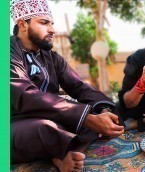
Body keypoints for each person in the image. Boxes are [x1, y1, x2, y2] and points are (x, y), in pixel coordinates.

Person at [10, 0, 124, 171]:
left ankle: (61, 151)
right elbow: (25, 95)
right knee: (45, 129)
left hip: (52, 117)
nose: (52, 29)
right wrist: (87, 119)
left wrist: (103, 111)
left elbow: (79, 86)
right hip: (15, 123)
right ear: (22, 24)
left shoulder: (51, 57)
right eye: (44, 23)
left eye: (52, 24)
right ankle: (61, 156)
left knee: (89, 116)